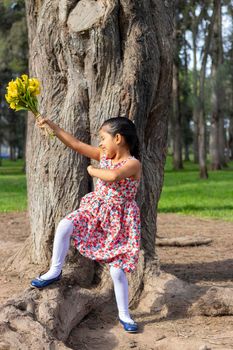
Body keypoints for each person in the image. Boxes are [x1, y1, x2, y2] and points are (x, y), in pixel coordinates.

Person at [31, 116, 141, 333]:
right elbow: (76, 145)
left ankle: (124, 314)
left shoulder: (133, 163)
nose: (100, 144)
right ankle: (55, 270)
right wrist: (53, 126)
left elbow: (112, 176)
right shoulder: (103, 155)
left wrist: (91, 171)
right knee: (65, 224)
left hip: (119, 221)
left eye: (103, 139)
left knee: (117, 270)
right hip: (96, 211)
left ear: (118, 138)